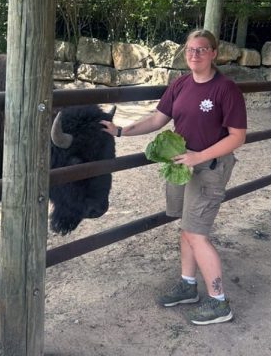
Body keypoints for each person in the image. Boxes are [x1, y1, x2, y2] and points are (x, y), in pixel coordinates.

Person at [101, 29, 247, 325]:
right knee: (186, 228)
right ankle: (188, 285)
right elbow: (157, 120)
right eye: (191, 49)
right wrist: (120, 131)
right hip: (181, 166)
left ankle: (219, 302)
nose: (195, 54)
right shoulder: (180, 85)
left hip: (209, 167)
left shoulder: (225, 89)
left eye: (202, 49)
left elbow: (238, 137)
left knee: (196, 233)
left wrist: (199, 156)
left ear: (213, 53)